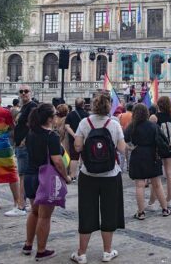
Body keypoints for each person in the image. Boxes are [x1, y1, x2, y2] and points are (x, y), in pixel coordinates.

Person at [71, 94, 126, 264]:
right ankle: (107, 252)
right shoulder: (114, 124)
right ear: (109, 106)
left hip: (88, 175)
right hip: (110, 175)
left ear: (93, 106)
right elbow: (122, 149)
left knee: (87, 211)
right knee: (109, 212)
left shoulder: (84, 123)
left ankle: (81, 253)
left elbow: (78, 146)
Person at [22, 103, 70, 261]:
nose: (56, 117)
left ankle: (28, 244)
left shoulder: (31, 133)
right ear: (49, 118)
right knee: (44, 216)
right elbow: (57, 160)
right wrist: (65, 176)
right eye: (55, 115)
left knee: (34, 212)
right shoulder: (51, 136)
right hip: (45, 178)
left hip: (30, 176)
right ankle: (41, 250)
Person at [124, 103, 171, 220]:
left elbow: (124, 139)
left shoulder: (132, 126)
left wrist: (130, 148)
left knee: (139, 185)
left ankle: (141, 212)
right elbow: (163, 140)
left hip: (138, 155)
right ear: (146, 113)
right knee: (157, 184)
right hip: (152, 155)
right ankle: (165, 209)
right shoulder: (153, 126)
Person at [148, 96, 171, 208]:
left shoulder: (154, 117)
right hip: (169, 146)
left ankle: (152, 202)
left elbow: (150, 132)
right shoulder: (170, 116)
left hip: (158, 148)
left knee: (156, 176)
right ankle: (169, 199)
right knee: (169, 173)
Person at [14, 85, 38, 213]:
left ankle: (21, 205)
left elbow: (32, 124)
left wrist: (24, 140)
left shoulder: (32, 106)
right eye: (21, 91)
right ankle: (26, 203)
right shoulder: (24, 107)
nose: (23, 93)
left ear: (31, 93)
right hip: (20, 144)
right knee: (24, 174)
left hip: (25, 145)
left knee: (23, 175)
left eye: (26, 91)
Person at [65, 98, 88, 182]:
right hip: (84, 139)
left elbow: (67, 126)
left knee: (74, 158)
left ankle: (72, 176)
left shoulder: (70, 114)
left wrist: (74, 135)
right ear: (83, 104)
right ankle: (86, 175)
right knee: (85, 157)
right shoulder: (87, 114)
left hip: (73, 139)